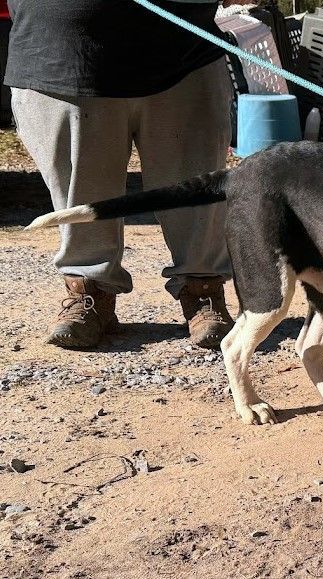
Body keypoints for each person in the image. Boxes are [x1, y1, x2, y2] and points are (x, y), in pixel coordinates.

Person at [5, 0, 249, 349]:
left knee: (198, 187)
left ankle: (203, 291)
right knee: (81, 191)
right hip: (58, 54)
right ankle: (88, 292)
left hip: (184, 56)